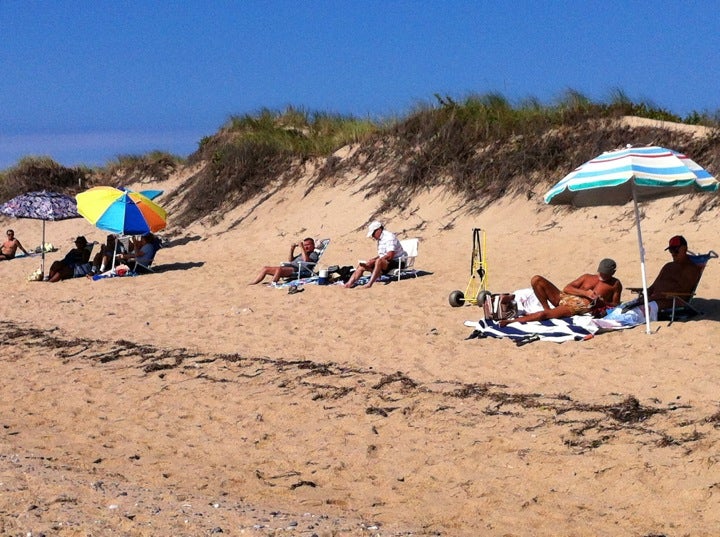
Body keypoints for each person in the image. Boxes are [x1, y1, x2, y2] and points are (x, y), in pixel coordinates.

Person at [499, 258, 622, 325]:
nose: (602, 276)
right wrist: (586, 293)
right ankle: (547, 308)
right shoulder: (587, 277)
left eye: (606, 274)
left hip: (578, 306)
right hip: (565, 296)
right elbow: (567, 288)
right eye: (601, 272)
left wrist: (602, 302)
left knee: (543, 316)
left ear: (612, 273)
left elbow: (616, 304)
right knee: (536, 280)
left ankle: (511, 322)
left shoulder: (615, 284)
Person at [643, 235, 702, 309]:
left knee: (634, 314)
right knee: (626, 308)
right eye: (671, 251)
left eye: (676, 250)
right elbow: (653, 286)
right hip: (652, 300)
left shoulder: (691, 269)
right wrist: (645, 294)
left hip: (667, 302)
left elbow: (684, 294)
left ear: (684, 249)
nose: (673, 254)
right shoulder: (668, 266)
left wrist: (661, 295)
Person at [344, 221, 407, 289]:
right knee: (362, 265)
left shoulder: (389, 237)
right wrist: (372, 260)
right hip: (386, 262)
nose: (373, 236)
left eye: (373, 233)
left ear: (379, 230)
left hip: (398, 262)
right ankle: (348, 284)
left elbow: (390, 255)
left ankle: (369, 284)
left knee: (378, 261)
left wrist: (376, 260)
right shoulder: (380, 239)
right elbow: (382, 255)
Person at [250, 237, 318, 285]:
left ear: (313, 245)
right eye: (305, 245)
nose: (306, 247)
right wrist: (292, 249)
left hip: (297, 269)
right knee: (265, 268)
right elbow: (291, 260)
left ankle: (273, 283)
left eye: (308, 245)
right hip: (289, 267)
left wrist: (301, 247)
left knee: (279, 269)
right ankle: (254, 282)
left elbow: (306, 260)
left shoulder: (313, 254)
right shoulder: (302, 254)